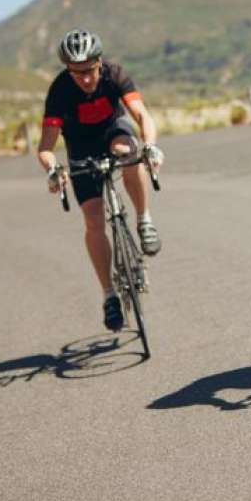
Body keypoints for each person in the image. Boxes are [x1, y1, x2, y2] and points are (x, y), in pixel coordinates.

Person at [37, 28, 164, 331]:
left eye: (89, 71)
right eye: (76, 72)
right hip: (80, 148)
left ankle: (144, 219)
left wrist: (150, 145)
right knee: (93, 220)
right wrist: (53, 170)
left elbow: (142, 115)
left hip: (112, 132)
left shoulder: (114, 75)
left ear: (100, 62)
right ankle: (109, 295)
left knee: (127, 150)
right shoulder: (59, 91)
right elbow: (45, 148)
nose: (84, 78)